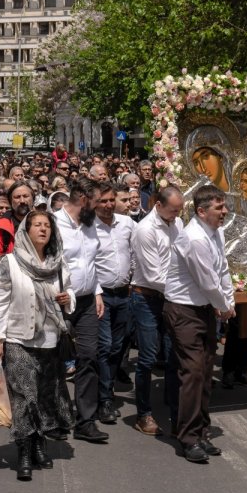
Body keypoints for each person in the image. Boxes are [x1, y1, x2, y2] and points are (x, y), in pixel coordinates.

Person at [0, 210, 75, 481]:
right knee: (24, 397)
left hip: (50, 339)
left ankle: (40, 444)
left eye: (47, 225)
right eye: (36, 224)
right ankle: (24, 451)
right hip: (18, 338)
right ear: (25, 231)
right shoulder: (10, 263)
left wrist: (68, 298)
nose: (42, 229)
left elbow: (70, 290)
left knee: (45, 397)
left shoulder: (58, 262)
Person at [164, 185, 236, 463]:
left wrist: (229, 300)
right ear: (202, 211)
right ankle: (188, 438)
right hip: (184, 310)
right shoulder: (194, 237)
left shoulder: (215, 232)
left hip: (204, 309)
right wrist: (223, 306)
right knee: (193, 372)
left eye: (224, 206)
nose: (225, 212)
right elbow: (206, 280)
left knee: (205, 372)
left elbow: (222, 269)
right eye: (219, 207)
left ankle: (201, 431)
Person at [53, 179, 109, 444]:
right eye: (96, 202)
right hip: (59, 301)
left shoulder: (89, 224)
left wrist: (97, 291)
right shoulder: (53, 223)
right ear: (84, 199)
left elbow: (90, 262)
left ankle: (86, 420)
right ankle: (55, 415)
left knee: (88, 356)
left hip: (86, 301)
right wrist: (55, 291)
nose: (99, 207)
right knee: (54, 359)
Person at [128, 186, 184, 435]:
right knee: (148, 358)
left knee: (173, 356)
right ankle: (143, 414)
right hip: (147, 298)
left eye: (179, 211)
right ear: (158, 205)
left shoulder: (177, 223)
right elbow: (154, 276)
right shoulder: (145, 230)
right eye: (173, 210)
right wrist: (186, 288)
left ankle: (176, 409)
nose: (176, 215)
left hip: (171, 297)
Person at [92, 181, 135, 424]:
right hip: (101, 296)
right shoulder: (89, 227)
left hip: (124, 294)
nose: (108, 205)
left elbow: (136, 252)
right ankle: (104, 398)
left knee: (119, 345)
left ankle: (106, 388)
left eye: (111, 200)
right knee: (105, 346)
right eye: (104, 201)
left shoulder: (127, 224)